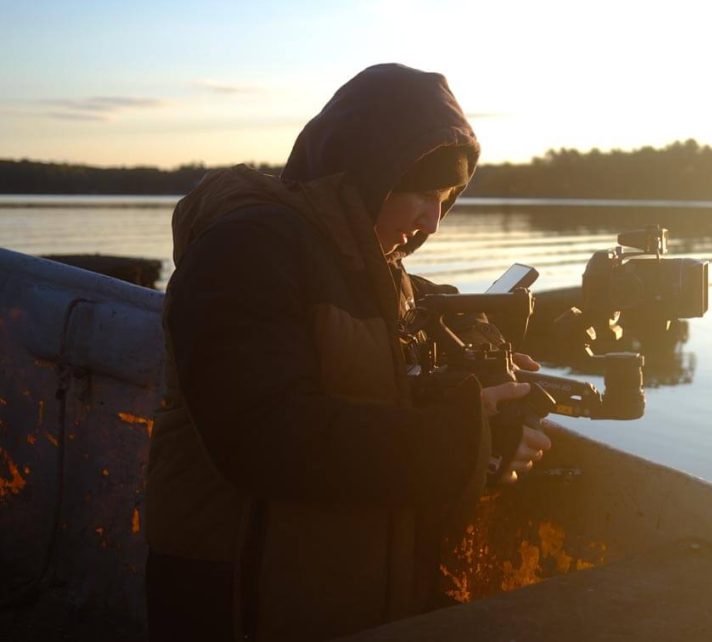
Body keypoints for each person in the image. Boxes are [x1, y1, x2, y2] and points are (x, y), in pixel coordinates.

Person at [144, 63, 551, 642]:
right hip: (231, 593)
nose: (432, 221)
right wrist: (466, 438)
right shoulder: (244, 251)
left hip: (324, 583)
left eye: (446, 198)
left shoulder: (375, 267)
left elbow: (368, 382)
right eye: (419, 193)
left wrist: (477, 389)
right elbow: (264, 437)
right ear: (364, 174)